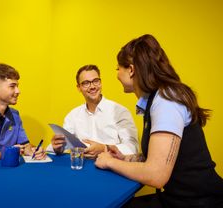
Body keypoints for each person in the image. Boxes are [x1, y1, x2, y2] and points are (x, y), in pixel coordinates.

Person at [95, 34, 223, 207]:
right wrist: (124, 158)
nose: (117, 74)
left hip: (199, 201)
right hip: (182, 197)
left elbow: (156, 175)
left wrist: (109, 162)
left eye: (118, 68)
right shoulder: (158, 99)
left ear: (131, 70)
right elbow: (158, 158)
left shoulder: (166, 100)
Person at [47, 64, 138, 159]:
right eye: (86, 83)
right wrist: (57, 146)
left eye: (95, 81)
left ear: (101, 83)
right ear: (79, 88)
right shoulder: (72, 116)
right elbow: (63, 146)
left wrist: (104, 148)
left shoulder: (120, 112)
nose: (92, 86)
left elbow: (132, 148)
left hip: (111, 168)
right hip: (82, 167)